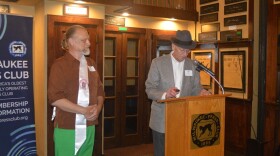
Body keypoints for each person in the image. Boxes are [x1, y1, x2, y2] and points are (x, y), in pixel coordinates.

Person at [145, 30, 211, 156]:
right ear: (173, 46)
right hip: (162, 119)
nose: (186, 54)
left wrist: (201, 92)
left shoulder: (192, 65)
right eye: (182, 50)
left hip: (184, 118)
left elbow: (196, 88)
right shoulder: (158, 63)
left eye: (188, 51)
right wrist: (165, 94)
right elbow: (149, 89)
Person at [48, 25, 105, 156]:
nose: (89, 43)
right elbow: (55, 98)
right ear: (71, 42)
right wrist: (83, 111)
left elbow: (100, 91)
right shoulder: (59, 65)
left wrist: (98, 108)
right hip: (67, 126)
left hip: (90, 125)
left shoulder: (91, 64)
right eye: (84, 40)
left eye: (88, 40)